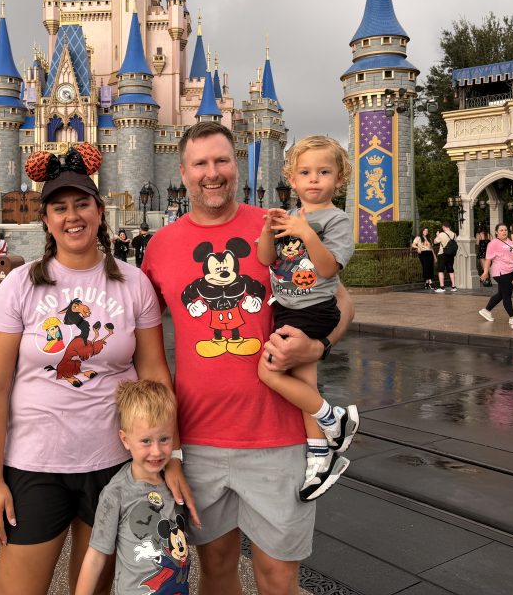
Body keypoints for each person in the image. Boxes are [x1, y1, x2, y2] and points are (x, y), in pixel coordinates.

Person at [142, 122, 354, 595]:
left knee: (278, 579)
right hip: (199, 442)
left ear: (236, 166)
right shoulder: (160, 247)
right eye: (200, 164)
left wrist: (317, 346)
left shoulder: (280, 226)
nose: (211, 173)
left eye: (221, 161)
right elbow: (141, 343)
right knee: (216, 572)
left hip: (278, 439)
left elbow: (343, 303)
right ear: (183, 171)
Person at [0, 143, 180, 595]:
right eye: (60, 207)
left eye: (82, 204)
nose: (73, 216)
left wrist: (172, 455)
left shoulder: (134, 283)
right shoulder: (19, 285)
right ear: (46, 218)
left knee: (93, 590)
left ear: (99, 210)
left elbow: (154, 376)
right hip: (36, 464)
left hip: (113, 464)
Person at [256, 136, 359, 501]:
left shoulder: (337, 219)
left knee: (268, 371)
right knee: (304, 385)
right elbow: (267, 259)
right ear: (293, 179)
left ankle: (334, 419)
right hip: (287, 306)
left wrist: (305, 234)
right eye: (305, 172)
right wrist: (269, 230)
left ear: (339, 179)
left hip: (314, 308)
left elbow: (329, 268)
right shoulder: (290, 217)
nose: (313, 179)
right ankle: (320, 458)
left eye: (323, 172)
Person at [75, 380, 190, 595]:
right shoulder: (117, 492)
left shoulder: (175, 484)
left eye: (164, 439)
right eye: (146, 441)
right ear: (125, 440)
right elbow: (96, 557)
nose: (156, 451)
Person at [478, 223, 513, 325]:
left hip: (510, 270)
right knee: (506, 294)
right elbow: (488, 259)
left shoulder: (510, 241)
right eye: (501, 230)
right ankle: (512, 317)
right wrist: (486, 272)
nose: (504, 232)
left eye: (505, 230)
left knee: (501, 293)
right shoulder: (493, 243)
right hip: (500, 271)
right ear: (496, 232)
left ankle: (486, 311)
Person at [433, 223, 458, 292]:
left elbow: (435, 242)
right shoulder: (454, 234)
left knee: (440, 270)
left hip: (442, 254)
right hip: (451, 254)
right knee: (450, 270)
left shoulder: (441, 234)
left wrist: (437, 235)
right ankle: (453, 287)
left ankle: (442, 287)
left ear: (444, 227)